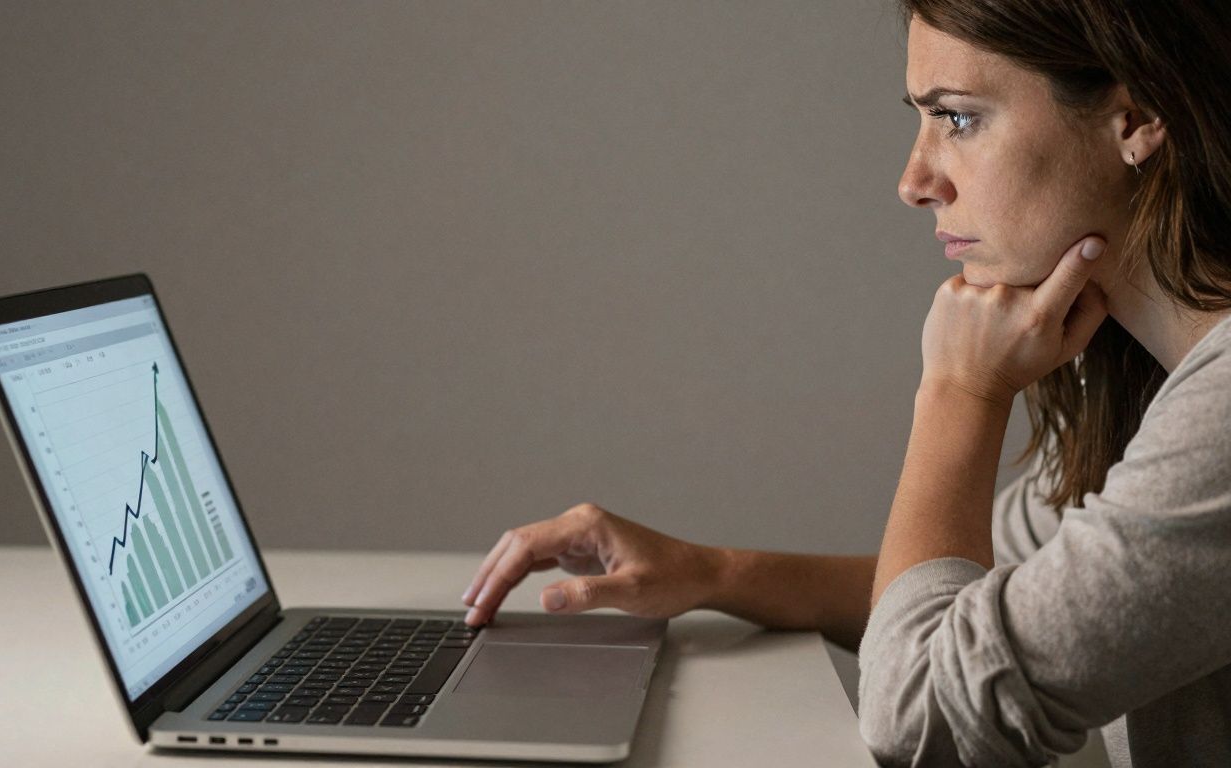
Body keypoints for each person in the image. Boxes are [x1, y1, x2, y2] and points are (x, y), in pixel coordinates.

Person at [459, 1, 1231, 765]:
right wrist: (710, 574)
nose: (914, 179)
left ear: (1135, 118)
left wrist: (960, 393)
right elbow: (978, 595)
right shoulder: (1155, 382)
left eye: (957, 119)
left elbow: (918, 712)